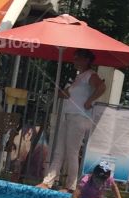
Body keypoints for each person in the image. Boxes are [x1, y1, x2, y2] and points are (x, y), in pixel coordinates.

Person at [40, 50, 105, 190]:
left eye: (77, 58)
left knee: (72, 151)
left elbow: (102, 87)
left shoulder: (90, 75)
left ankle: (71, 185)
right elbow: (65, 94)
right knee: (59, 149)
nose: (74, 61)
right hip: (68, 115)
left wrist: (90, 100)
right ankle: (48, 181)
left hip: (79, 116)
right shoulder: (78, 77)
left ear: (86, 60)